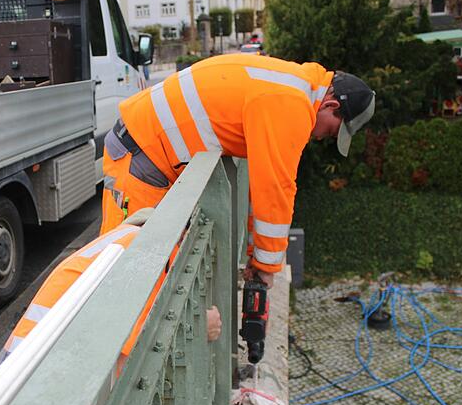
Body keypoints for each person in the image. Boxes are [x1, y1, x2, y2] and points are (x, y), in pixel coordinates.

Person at [100, 54, 375, 286]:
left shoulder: (293, 85)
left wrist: (258, 253)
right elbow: (275, 187)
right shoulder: (291, 104)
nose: (321, 137)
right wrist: (266, 267)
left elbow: (265, 180)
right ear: (331, 106)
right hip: (139, 156)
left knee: (138, 261)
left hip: (144, 150)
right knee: (122, 266)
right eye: (330, 131)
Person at [0, 208, 222, 373]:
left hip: (21, 365)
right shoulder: (147, 256)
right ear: (181, 237)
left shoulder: (130, 239)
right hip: (33, 374)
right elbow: (131, 362)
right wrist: (197, 326)